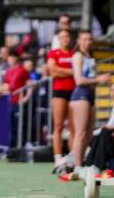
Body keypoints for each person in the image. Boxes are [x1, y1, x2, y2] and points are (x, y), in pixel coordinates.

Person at [61, 30, 101, 181]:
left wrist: (96, 81)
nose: (87, 42)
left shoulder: (90, 56)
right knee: (80, 133)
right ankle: (77, 166)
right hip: (80, 95)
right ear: (78, 41)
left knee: (88, 134)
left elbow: (91, 77)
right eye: (84, 39)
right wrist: (99, 79)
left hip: (90, 95)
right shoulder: (78, 56)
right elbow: (79, 80)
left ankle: (80, 163)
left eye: (90, 39)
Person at [48, 28, 76, 171]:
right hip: (59, 91)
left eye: (67, 36)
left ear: (70, 38)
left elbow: (59, 70)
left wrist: (61, 71)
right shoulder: (53, 53)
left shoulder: (74, 53)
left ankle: (72, 158)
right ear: (58, 39)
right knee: (58, 125)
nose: (65, 39)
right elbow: (53, 71)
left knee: (73, 127)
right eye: (62, 37)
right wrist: (71, 71)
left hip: (74, 91)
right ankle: (58, 158)